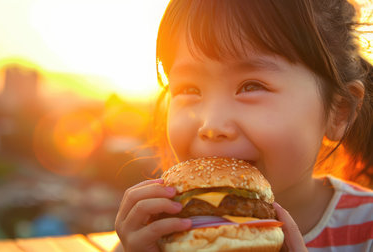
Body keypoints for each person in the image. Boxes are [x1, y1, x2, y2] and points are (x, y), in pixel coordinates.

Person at [115, 0, 373, 251]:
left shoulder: (366, 229)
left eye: (252, 86)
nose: (211, 124)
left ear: (339, 113)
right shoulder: (160, 229)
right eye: (189, 88)